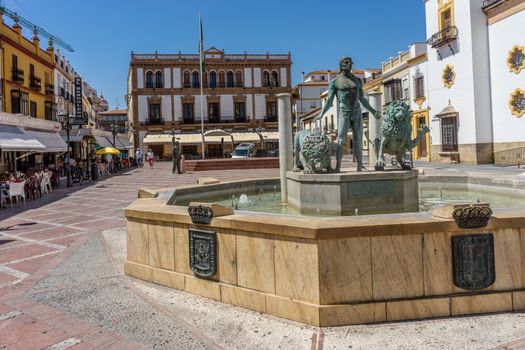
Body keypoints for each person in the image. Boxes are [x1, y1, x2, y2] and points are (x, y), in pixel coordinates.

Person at [313, 56, 381, 172]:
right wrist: (322, 114)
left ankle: (360, 166)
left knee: (358, 139)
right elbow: (329, 101)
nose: (348, 65)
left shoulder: (357, 81)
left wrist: (373, 111)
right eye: (346, 63)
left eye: (350, 63)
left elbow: (362, 99)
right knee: (340, 139)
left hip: (356, 112)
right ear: (341, 65)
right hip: (344, 113)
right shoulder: (334, 82)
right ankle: (338, 166)